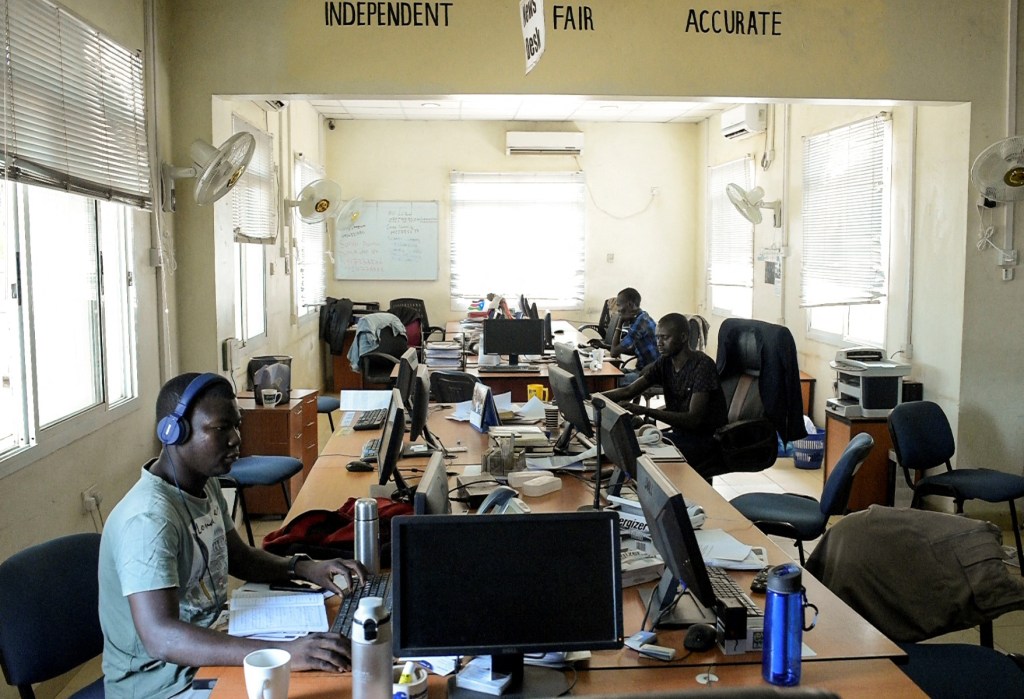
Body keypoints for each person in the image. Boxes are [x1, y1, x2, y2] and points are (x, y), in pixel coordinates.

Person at [99, 372, 367, 699]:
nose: (236, 438)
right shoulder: (148, 521)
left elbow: (239, 557)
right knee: (319, 685)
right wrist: (282, 653)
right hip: (163, 685)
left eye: (236, 425)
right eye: (220, 428)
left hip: (210, 648)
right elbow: (161, 638)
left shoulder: (204, 482)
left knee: (338, 666)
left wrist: (306, 567)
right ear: (174, 432)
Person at [602, 313, 728, 477]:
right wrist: (593, 398)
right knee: (628, 444)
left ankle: (623, 479)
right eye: (657, 338)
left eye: (665, 338)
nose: (659, 343)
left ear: (683, 337)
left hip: (705, 441)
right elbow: (629, 391)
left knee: (639, 452)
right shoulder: (665, 362)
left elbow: (693, 420)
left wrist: (646, 411)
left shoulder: (702, 366)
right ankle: (619, 477)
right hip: (681, 435)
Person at [592, 288, 657, 385]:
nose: (617, 310)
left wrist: (620, 323)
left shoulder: (641, 322)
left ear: (630, 305)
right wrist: (604, 346)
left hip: (652, 374)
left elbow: (614, 353)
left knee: (608, 381)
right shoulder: (640, 318)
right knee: (607, 375)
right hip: (642, 370)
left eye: (618, 305)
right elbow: (633, 350)